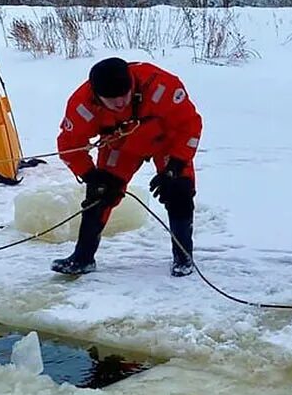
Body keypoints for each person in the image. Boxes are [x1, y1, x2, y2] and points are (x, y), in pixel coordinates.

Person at [52, 58, 203, 277]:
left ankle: (183, 259)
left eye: (125, 94)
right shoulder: (82, 105)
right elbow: (69, 146)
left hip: (167, 140)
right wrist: (91, 175)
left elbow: (190, 125)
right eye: (112, 100)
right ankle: (82, 258)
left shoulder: (162, 86)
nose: (120, 102)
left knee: (179, 191)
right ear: (96, 95)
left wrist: (175, 166)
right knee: (99, 196)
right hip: (121, 146)